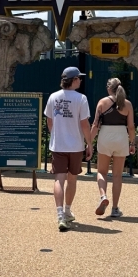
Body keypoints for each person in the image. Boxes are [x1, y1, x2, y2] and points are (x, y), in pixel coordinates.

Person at [44, 66, 92, 232]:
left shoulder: (53, 97)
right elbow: (84, 124)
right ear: (74, 80)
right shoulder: (81, 99)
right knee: (72, 180)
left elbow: (49, 121)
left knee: (59, 179)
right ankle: (68, 210)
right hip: (75, 145)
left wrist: (56, 135)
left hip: (58, 145)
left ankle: (60, 215)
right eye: (79, 78)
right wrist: (90, 143)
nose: (81, 80)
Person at [91, 77, 135, 218]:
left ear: (109, 88)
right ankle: (115, 209)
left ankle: (103, 196)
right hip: (121, 137)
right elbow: (131, 127)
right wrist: (132, 143)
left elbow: (95, 125)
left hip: (105, 136)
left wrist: (89, 143)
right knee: (117, 175)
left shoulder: (102, 102)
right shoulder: (127, 104)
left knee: (102, 172)